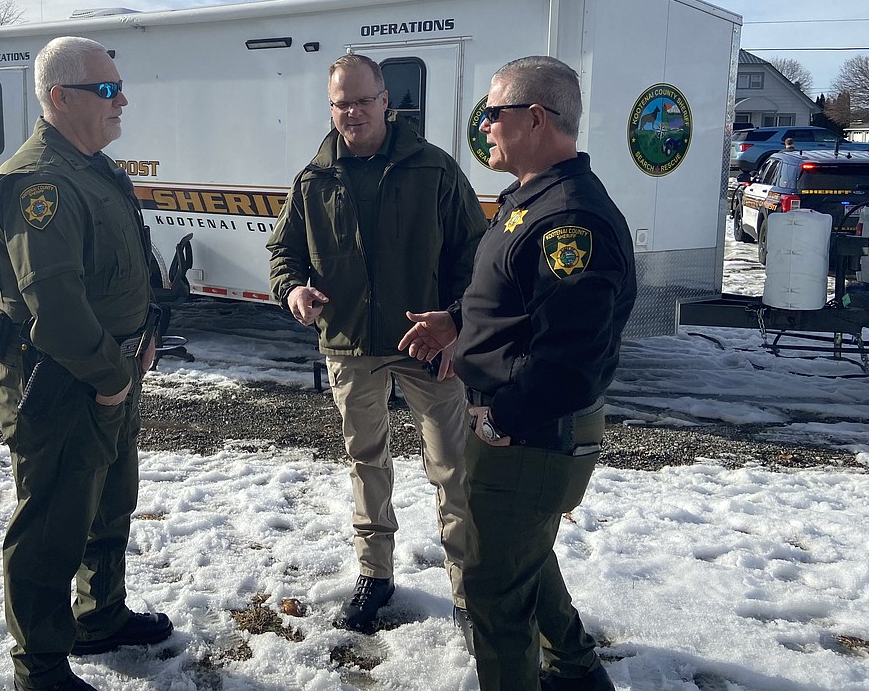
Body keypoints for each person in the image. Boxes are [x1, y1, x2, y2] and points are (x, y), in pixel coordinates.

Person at [400, 56, 637, 691]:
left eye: (492, 114)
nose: (484, 128)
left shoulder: (568, 222)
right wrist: (456, 320)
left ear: (534, 119)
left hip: (530, 432)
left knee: (492, 586)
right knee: (522, 560)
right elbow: (511, 297)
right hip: (520, 427)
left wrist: (502, 417)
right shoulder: (528, 199)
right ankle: (578, 672)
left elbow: (572, 361)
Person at [267, 53, 487, 637]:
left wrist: (456, 325)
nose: (353, 113)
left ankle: (470, 592)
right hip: (350, 342)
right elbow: (283, 251)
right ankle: (375, 575)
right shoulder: (314, 179)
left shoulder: (433, 169)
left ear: (387, 100)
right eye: (341, 103)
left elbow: (477, 255)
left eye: (363, 101)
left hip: (426, 342)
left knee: (452, 470)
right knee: (366, 463)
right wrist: (293, 290)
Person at [0, 36, 171, 691]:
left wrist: (149, 332)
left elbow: (133, 261)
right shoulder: (41, 181)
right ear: (62, 97)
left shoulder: (96, 167)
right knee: (53, 520)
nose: (123, 102)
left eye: (119, 87)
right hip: (64, 381)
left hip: (112, 375)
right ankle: (38, 665)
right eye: (108, 90)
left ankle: (100, 616)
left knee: (110, 502)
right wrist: (112, 378)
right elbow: (55, 307)